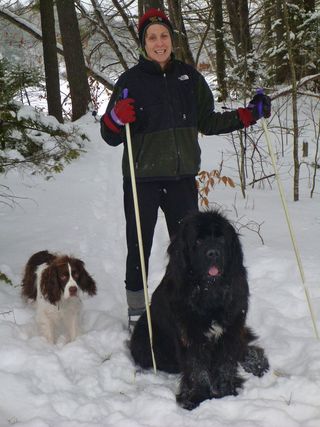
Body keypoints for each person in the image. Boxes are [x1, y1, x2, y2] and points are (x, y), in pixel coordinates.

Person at [100, 8, 271, 327]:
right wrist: (115, 118)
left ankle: (187, 303)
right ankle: (137, 311)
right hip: (143, 180)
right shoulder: (130, 82)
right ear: (143, 43)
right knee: (140, 245)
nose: (159, 42)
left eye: (163, 35)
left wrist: (247, 116)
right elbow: (109, 135)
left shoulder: (189, 78)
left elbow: (208, 120)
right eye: (152, 37)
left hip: (181, 180)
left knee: (191, 250)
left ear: (171, 39)